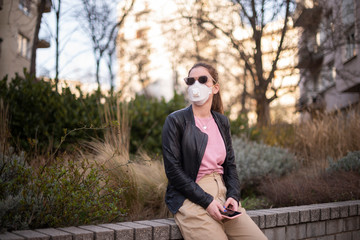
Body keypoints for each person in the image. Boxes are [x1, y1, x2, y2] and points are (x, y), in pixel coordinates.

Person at [162, 62, 267, 240]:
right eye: (191, 81)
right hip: (191, 198)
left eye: (203, 80)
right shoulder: (176, 121)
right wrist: (207, 201)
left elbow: (230, 165)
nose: (196, 85)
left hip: (223, 197)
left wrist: (234, 196)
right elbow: (173, 171)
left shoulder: (222, 122)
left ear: (215, 88)